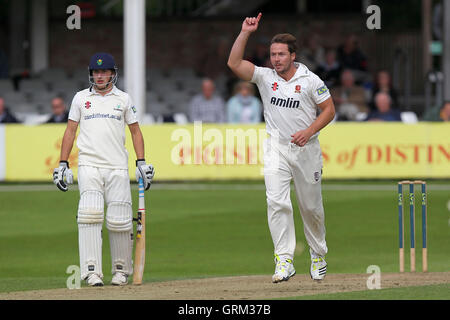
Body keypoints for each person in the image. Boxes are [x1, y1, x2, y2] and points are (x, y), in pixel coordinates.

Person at [228, 13, 335, 283]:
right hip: (276, 148)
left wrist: (309, 131)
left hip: (306, 150)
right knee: (276, 202)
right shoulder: (265, 77)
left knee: (310, 207)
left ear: (293, 55)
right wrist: (245, 33)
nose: (275, 59)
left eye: (281, 54)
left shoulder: (310, 80)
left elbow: (329, 110)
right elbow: (234, 63)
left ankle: (318, 253)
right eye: (273, 54)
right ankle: (284, 259)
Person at [52, 52, 155, 287]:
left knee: (120, 220)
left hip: (117, 165)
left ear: (112, 74)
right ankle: (92, 272)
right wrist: (63, 163)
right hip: (89, 165)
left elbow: (136, 131)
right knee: (89, 215)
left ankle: (121, 271)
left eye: (104, 72)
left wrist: (141, 162)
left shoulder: (124, 99)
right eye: (95, 72)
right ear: (91, 74)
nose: (99, 76)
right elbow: (70, 131)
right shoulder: (80, 98)